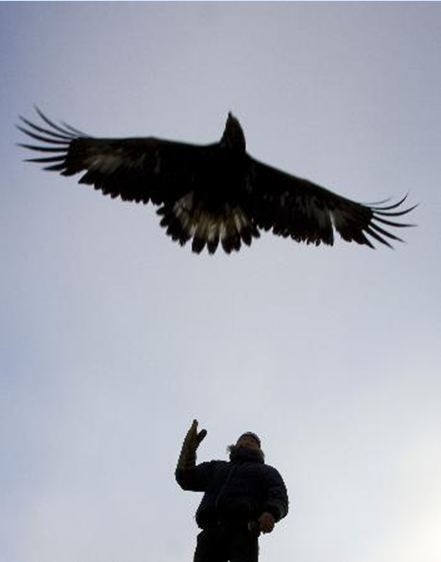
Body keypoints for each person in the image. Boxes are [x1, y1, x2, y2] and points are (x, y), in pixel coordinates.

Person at [176, 420, 289, 562]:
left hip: (244, 530)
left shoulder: (266, 471)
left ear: (258, 449)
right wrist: (188, 452)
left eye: (251, 442)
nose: (246, 443)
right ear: (236, 445)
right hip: (211, 529)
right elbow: (186, 478)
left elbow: (278, 494)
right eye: (242, 440)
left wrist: (271, 513)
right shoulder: (217, 467)